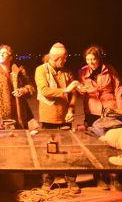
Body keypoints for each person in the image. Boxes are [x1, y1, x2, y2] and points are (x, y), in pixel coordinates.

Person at [77, 46, 122, 191]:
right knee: (94, 145)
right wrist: (80, 90)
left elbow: (118, 88)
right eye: (88, 59)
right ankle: (98, 177)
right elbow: (81, 93)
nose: (91, 62)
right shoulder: (82, 72)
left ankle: (115, 177)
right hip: (92, 110)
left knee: (113, 143)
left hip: (110, 110)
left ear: (99, 58)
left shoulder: (109, 69)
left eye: (94, 58)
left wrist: (120, 108)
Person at [35, 43, 81, 193]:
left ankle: (71, 181)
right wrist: (65, 90)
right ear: (55, 58)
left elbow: (73, 94)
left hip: (65, 118)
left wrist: (71, 109)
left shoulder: (66, 72)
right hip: (48, 117)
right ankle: (48, 180)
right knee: (49, 150)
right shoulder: (41, 70)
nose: (65, 61)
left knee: (68, 149)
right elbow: (44, 90)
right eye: (63, 58)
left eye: (66, 58)